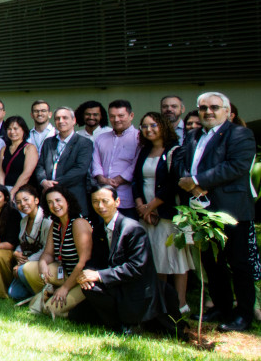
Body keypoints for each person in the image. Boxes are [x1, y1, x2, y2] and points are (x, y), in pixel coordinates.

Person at [176, 91, 257, 332]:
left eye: (214, 107)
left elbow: (236, 166)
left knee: (239, 264)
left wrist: (198, 181)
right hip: (200, 211)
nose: (208, 112)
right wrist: (186, 180)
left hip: (231, 211)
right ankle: (222, 307)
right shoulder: (192, 135)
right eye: (203, 108)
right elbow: (181, 161)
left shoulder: (240, 134)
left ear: (226, 110)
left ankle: (243, 315)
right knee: (213, 263)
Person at [77, 186, 160, 333]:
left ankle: (128, 324)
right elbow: (95, 259)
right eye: (95, 202)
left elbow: (136, 268)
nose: (100, 206)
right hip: (115, 283)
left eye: (105, 201)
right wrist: (87, 273)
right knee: (87, 291)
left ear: (117, 202)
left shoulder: (133, 229)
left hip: (135, 288)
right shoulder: (99, 229)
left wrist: (98, 275)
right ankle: (116, 322)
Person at [132, 111, 191, 311]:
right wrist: (141, 206)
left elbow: (174, 184)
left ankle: (181, 304)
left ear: (163, 126)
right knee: (156, 259)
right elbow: (136, 180)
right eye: (145, 126)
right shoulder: (144, 151)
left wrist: (151, 206)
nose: (149, 129)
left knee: (175, 259)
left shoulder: (176, 150)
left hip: (167, 212)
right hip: (146, 213)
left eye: (153, 125)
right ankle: (161, 303)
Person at [18, 187, 92, 318]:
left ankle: (81, 306)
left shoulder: (78, 223)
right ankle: (51, 294)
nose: (54, 205)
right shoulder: (56, 223)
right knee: (28, 269)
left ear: (68, 201)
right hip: (64, 271)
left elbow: (83, 262)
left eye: (58, 200)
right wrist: (42, 263)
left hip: (81, 277)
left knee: (51, 309)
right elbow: (48, 253)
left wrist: (65, 288)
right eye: (50, 202)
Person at [34, 107, 94, 212]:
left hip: (73, 196)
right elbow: (40, 165)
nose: (61, 121)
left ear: (74, 120)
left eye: (65, 118)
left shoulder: (84, 143)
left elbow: (80, 170)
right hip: (49, 197)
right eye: (57, 118)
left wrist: (53, 184)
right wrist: (43, 181)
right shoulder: (48, 142)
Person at [91, 99, 139, 219]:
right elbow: (95, 161)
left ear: (131, 115)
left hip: (127, 197)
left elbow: (137, 163)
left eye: (121, 116)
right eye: (112, 116)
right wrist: (102, 178)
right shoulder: (101, 138)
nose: (116, 120)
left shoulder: (139, 137)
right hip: (103, 197)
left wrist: (119, 179)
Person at [7, 184, 52, 300]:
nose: (22, 204)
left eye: (26, 200)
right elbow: (22, 243)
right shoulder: (24, 221)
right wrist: (16, 253)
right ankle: (34, 293)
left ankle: (43, 297)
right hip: (28, 260)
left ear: (36, 200)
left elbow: (47, 249)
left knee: (21, 271)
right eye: (18, 202)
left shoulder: (46, 221)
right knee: (14, 293)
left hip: (42, 262)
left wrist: (25, 262)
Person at [0, 115, 38, 201]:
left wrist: (13, 192)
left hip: (23, 191)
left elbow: (27, 173)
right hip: (6, 190)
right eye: (9, 129)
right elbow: (1, 172)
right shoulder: (4, 149)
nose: (12, 132)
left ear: (23, 130)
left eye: (15, 129)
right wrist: (2, 191)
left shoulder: (29, 148)